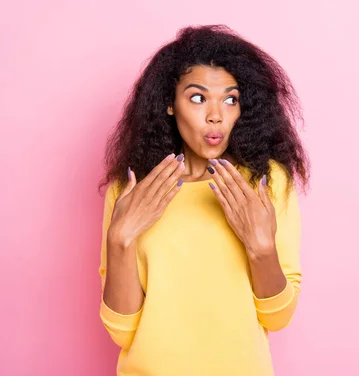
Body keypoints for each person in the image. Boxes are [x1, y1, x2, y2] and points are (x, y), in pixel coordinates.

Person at [98, 24, 309, 375]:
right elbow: (122, 332)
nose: (216, 115)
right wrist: (120, 240)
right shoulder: (131, 189)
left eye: (231, 99)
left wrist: (262, 249)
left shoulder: (266, 183)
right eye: (197, 98)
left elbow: (278, 316)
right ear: (169, 104)